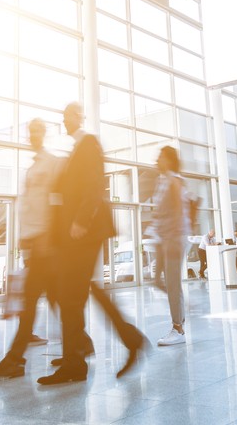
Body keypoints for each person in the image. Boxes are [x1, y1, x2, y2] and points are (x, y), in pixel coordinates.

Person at [38, 102, 143, 384]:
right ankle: (125, 340)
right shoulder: (74, 149)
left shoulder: (88, 143)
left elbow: (95, 183)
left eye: (67, 114)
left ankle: (76, 362)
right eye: (62, 114)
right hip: (76, 234)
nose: (63, 118)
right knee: (79, 291)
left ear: (78, 116)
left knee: (72, 296)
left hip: (85, 230)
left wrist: (81, 220)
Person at [0, 119, 62, 378]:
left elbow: (55, 201)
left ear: (45, 134)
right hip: (34, 241)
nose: (33, 136)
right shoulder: (32, 168)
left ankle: (16, 359)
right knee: (53, 299)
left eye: (38, 131)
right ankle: (80, 342)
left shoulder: (52, 164)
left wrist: (46, 237)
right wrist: (25, 237)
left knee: (31, 301)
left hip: (44, 243)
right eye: (30, 132)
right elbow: (29, 205)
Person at [147, 146, 191, 346]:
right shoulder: (162, 182)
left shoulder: (174, 181)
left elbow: (178, 211)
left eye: (160, 157)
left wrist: (172, 238)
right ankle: (180, 314)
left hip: (173, 237)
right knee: (158, 280)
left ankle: (178, 328)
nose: (157, 160)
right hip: (163, 237)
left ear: (169, 160)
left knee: (172, 282)